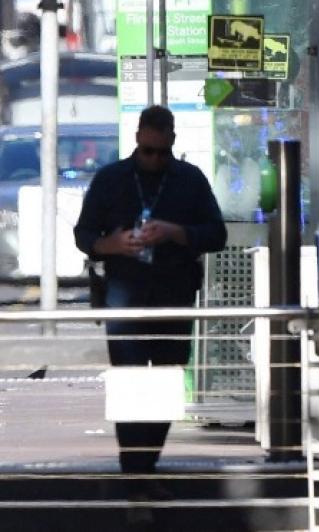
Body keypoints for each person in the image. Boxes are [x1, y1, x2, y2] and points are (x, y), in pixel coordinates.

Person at [73, 105, 227, 496]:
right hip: (125, 291)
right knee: (130, 382)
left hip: (174, 290)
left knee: (166, 378)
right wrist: (110, 244)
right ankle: (135, 473)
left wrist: (175, 232)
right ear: (138, 138)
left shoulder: (189, 180)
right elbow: (84, 232)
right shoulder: (111, 179)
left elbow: (216, 233)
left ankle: (147, 464)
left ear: (172, 141)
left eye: (161, 152)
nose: (155, 159)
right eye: (148, 152)